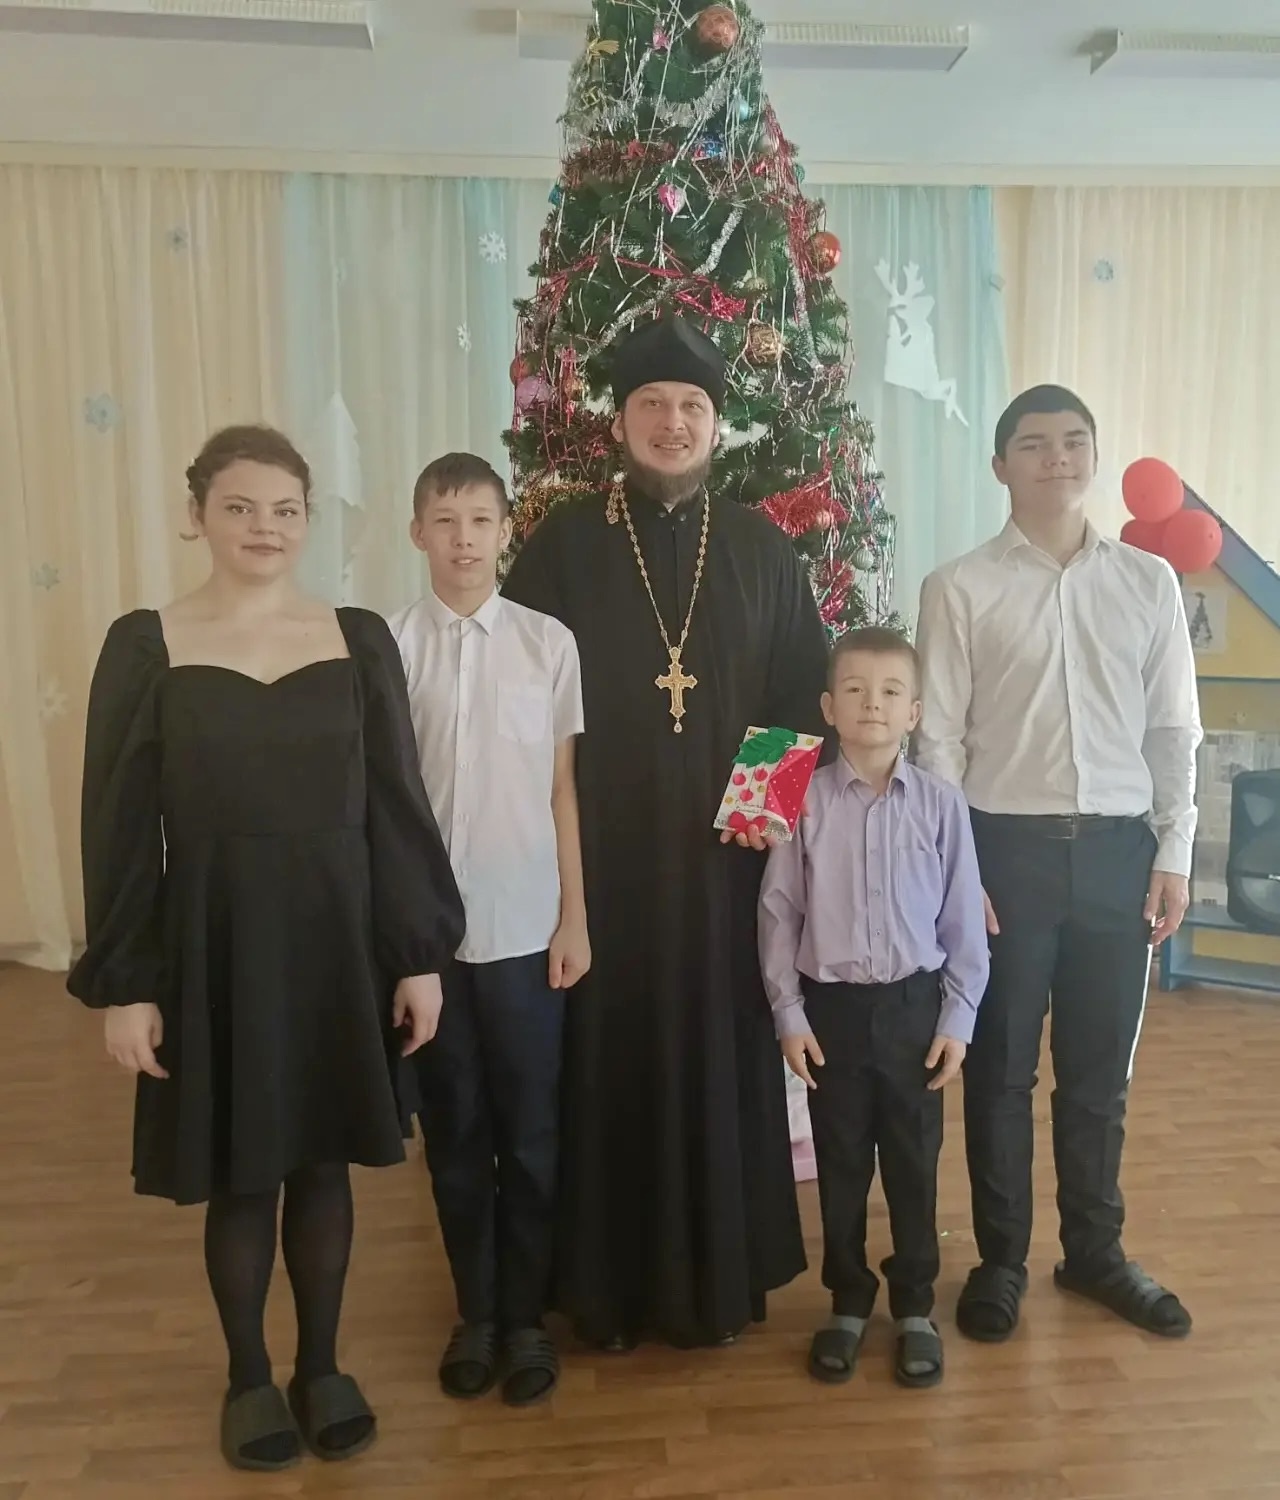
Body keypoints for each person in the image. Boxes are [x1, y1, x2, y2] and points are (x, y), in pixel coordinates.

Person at [67, 425, 465, 1472]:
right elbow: (117, 826)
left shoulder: (356, 638)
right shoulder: (146, 644)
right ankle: (248, 1377)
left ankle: (320, 1366)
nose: (265, 527)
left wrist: (417, 953)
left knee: (324, 1163)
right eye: (240, 507)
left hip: (337, 940)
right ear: (196, 514)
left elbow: (397, 806)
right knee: (244, 1174)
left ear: (308, 520)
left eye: (286, 510)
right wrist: (127, 983)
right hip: (217, 939)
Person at [501, 314, 830, 1349]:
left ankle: (718, 1283)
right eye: (652, 404)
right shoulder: (562, 544)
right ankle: (605, 1289)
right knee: (606, 1064)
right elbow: (519, 695)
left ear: (716, 423)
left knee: (719, 1058)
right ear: (620, 421)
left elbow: (800, 686)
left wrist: (760, 805)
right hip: (600, 861)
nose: (672, 422)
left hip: (725, 864)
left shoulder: (761, 547)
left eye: (691, 406)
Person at [915, 385, 1200, 1344]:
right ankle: (1000, 1260)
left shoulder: (1148, 583)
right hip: (1004, 857)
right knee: (998, 1073)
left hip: (1121, 855)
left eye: (1074, 442)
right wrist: (957, 873)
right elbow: (939, 743)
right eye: (1034, 445)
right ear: (1001, 465)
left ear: (1093, 457)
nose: (1057, 459)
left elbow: (1173, 728)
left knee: (1097, 1075)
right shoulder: (958, 587)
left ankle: (1095, 1254)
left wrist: (1174, 851)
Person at [388, 453, 587, 1407]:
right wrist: (398, 942)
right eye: (445, 520)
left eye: (480, 521)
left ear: (506, 532)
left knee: (533, 1133)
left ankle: (527, 1318)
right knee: (457, 1131)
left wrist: (574, 916)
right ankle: (475, 1312)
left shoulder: (549, 644)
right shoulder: (388, 647)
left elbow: (562, 790)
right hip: (431, 947)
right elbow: (384, 805)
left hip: (526, 929)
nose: (463, 539)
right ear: (417, 531)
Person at [759, 627, 988, 1389]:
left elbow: (962, 921)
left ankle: (915, 1304)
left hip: (915, 1011)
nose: (872, 705)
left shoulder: (942, 804)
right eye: (854, 690)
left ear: (914, 712)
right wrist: (789, 1014)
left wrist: (957, 1020)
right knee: (843, 1162)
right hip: (832, 1015)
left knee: (915, 1164)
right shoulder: (798, 797)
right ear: (828, 707)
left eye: (891, 692)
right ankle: (848, 1299)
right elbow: (778, 911)